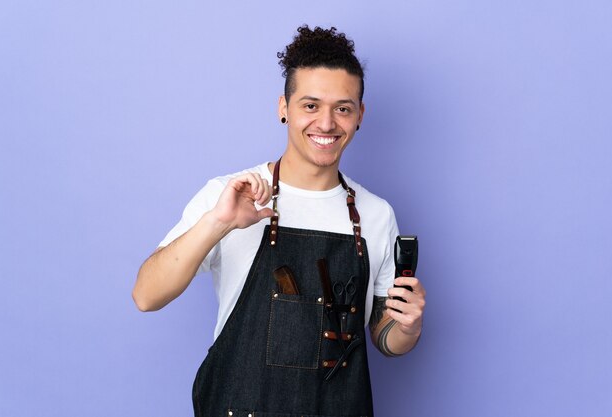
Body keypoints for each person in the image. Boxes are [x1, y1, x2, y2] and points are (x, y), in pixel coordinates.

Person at [133, 25, 426, 417]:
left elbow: (385, 339)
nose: (326, 123)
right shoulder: (229, 194)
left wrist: (407, 327)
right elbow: (146, 295)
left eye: (342, 107)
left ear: (359, 115)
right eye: (310, 105)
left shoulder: (375, 214)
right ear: (283, 108)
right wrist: (218, 223)